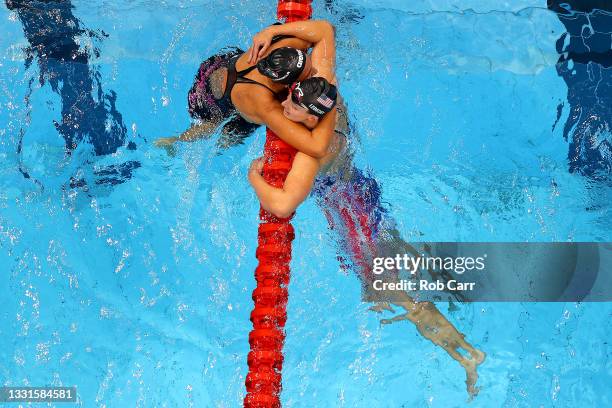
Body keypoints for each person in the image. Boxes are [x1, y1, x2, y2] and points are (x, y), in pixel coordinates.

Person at [247, 76, 486, 399]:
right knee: (398, 253)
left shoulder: (311, 155)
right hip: (366, 197)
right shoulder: (335, 107)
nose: (284, 107)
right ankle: (448, 287)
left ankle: (467, 356)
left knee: (402, 300)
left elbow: (282, 203)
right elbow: (325, 52)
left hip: (355, 225)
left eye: (292, 105)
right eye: (289, 97)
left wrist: (254, 177)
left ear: (312, 118)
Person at [154, 20, 338, 159]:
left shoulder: (281, 51)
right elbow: (317, 147)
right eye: (307, 74)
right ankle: (174, 141)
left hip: (218, 64)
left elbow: (325, 30)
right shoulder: (263, 104)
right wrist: (330, 98)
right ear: (285, 85)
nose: (314, 71)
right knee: (220, 136)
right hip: (213, 101)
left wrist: (272, 30)